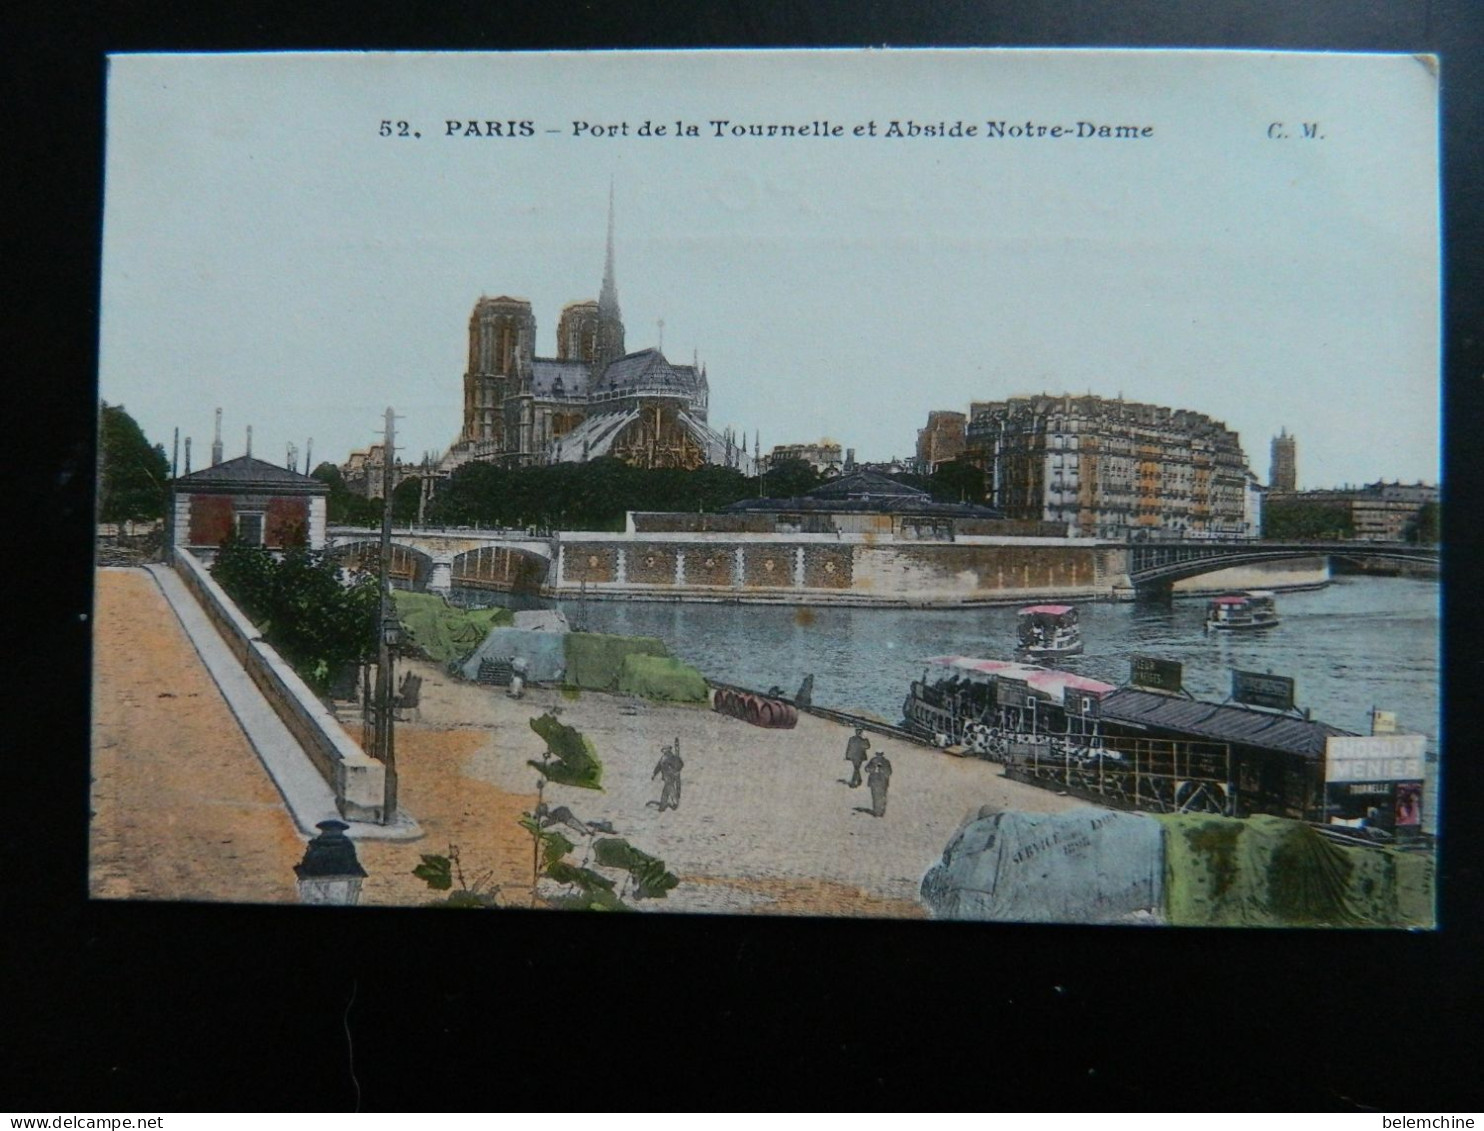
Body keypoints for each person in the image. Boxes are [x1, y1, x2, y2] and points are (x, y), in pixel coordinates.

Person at [651, 742, 684, 812]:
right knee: (667, 790)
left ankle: (671, 803)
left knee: (669, 789)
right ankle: (664, 806)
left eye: (664, 749)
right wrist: (654, 774)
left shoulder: (673, 757)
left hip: (671, 776)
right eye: (663, 750)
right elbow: (658, 767)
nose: (663, 751)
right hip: (666, 776)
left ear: (668, 750)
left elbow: (680, 764)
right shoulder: (663, 758)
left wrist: (676, 771)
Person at [864, 749, 893, 817]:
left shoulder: (886, 762)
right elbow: (866, 769)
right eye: (878, 754)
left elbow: (889, 772)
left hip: (883, 782)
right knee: (875, 797)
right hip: (874, 781)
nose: (879, 756)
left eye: (880, 755)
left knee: (882, 797)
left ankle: (882, 811)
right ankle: (876, 811)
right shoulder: (873, 760)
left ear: (882, 755)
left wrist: (882, 770)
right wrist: (873, 769)